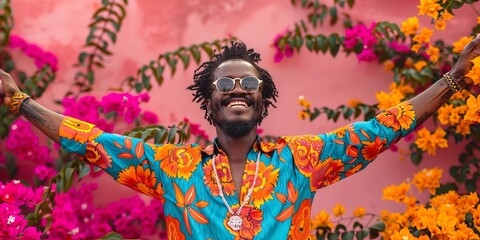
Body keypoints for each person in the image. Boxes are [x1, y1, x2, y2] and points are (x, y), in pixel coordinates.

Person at [1, 37, 479, 239]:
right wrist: (22, 102)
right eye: (224, 83)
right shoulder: (171, 166)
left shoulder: (303, 160)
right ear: (208, 101)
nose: (236, 89)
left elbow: (380, 129)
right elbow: (93, 141)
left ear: (262, 99)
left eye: (249, 83)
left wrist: (452, 82)